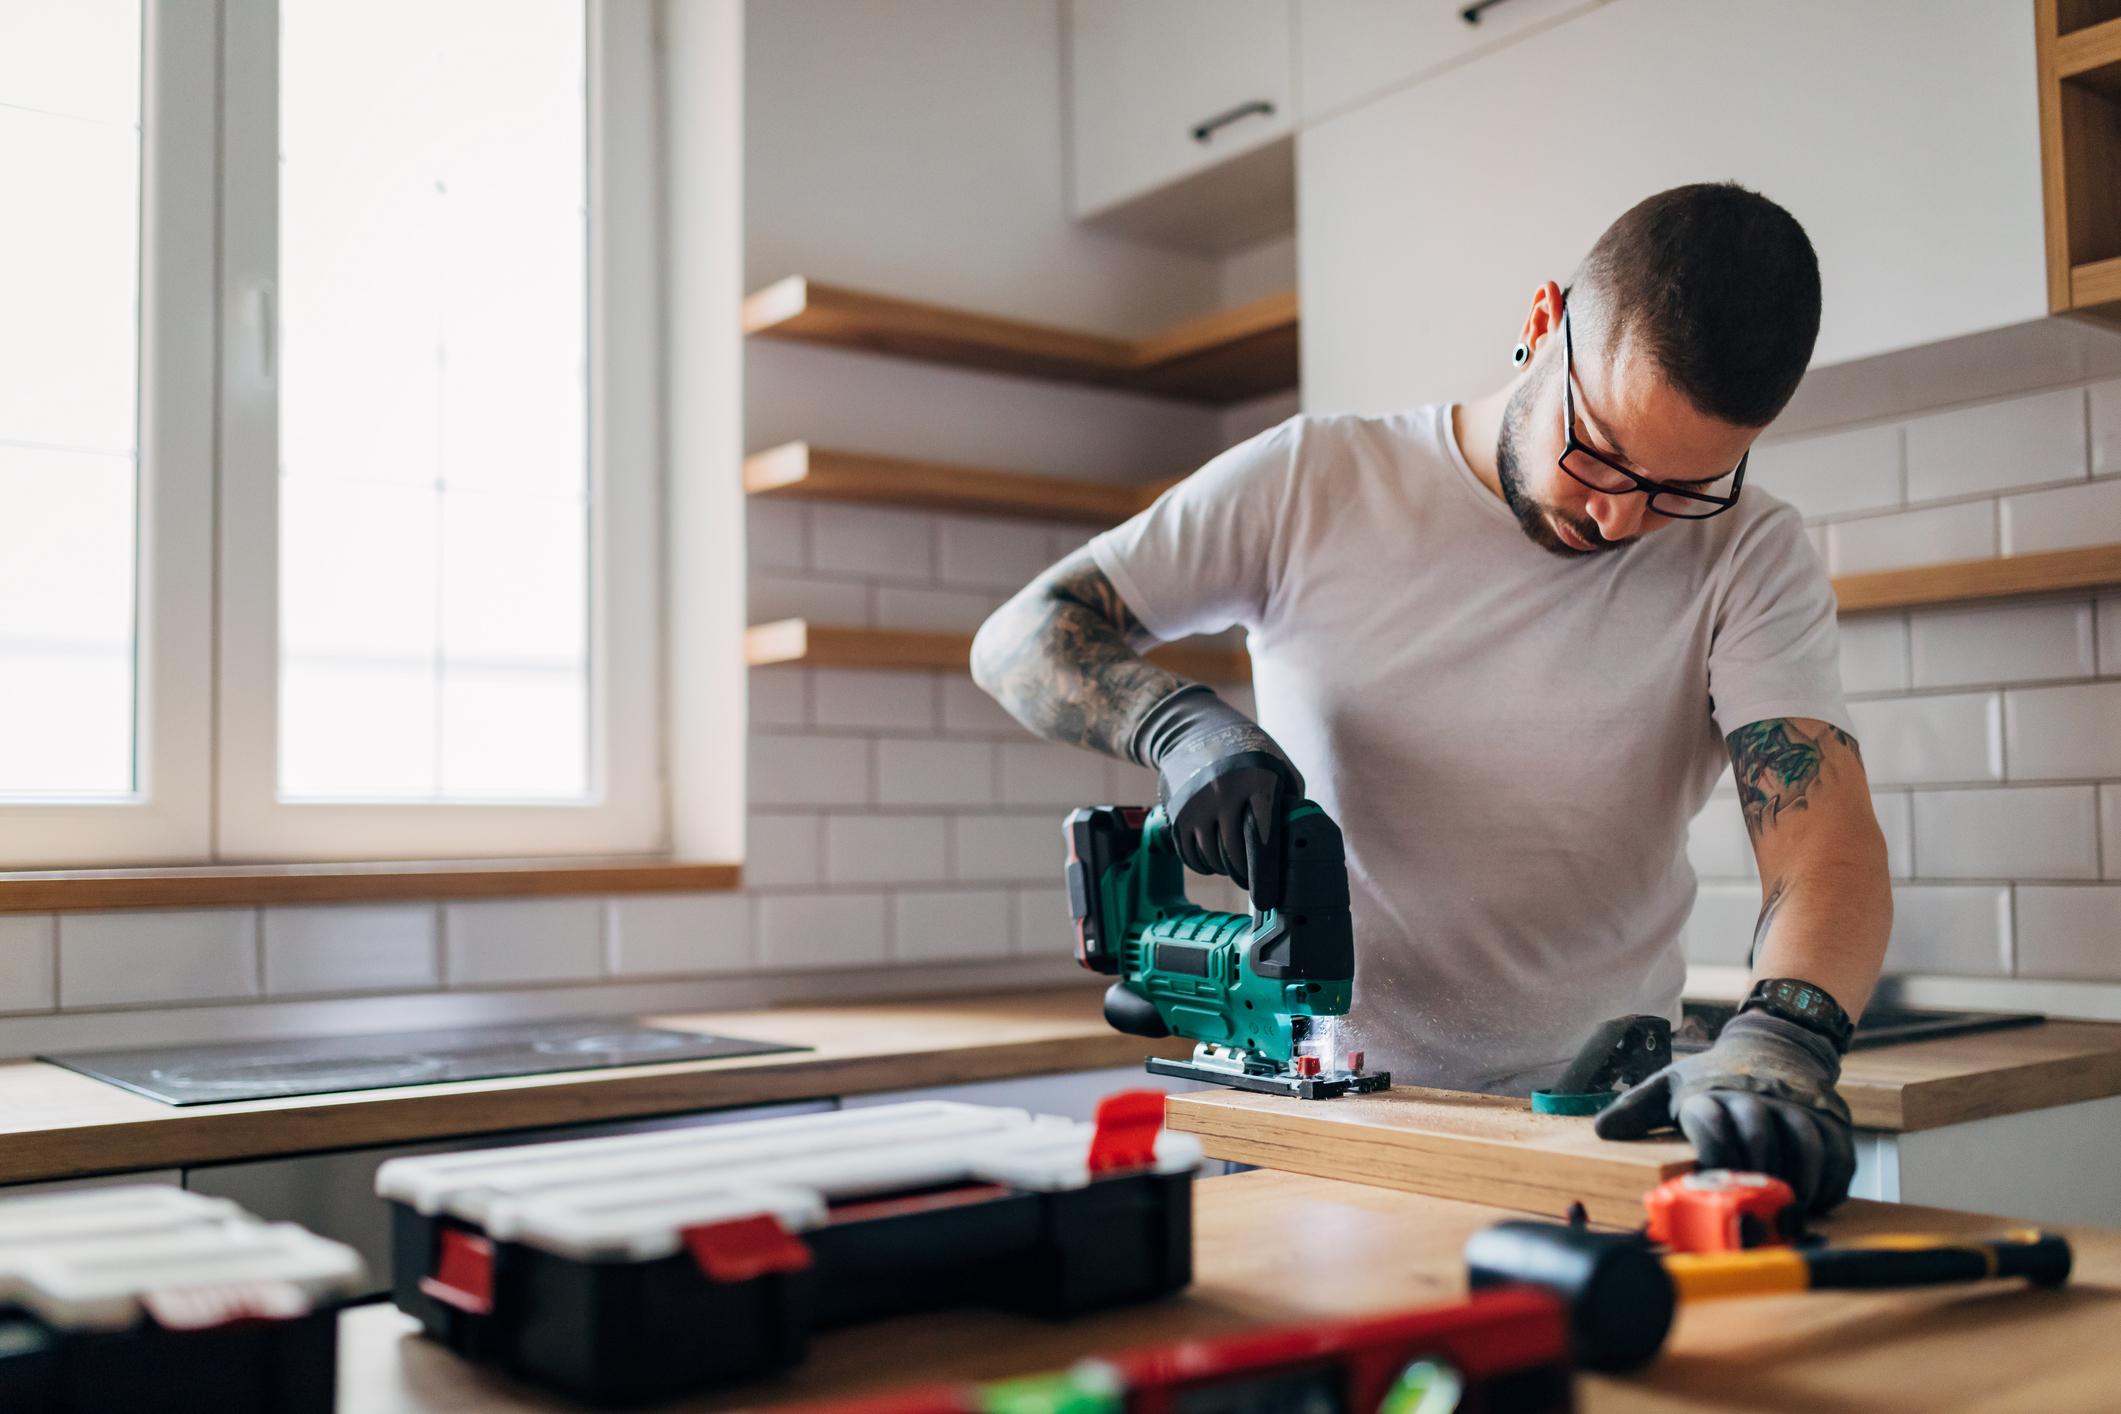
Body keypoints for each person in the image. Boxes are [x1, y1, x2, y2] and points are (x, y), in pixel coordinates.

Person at [969, 183, 1891, 1212]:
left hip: (1596, 1124)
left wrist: (1782, 1035)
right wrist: (1180, 728)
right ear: (1542, 327)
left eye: (1682, 490)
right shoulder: (1313, 480)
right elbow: (1020, 633)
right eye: (1599, 452)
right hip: (1316, 1118)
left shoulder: (1750, 552)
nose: (1618, 516)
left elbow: (1827, 850)